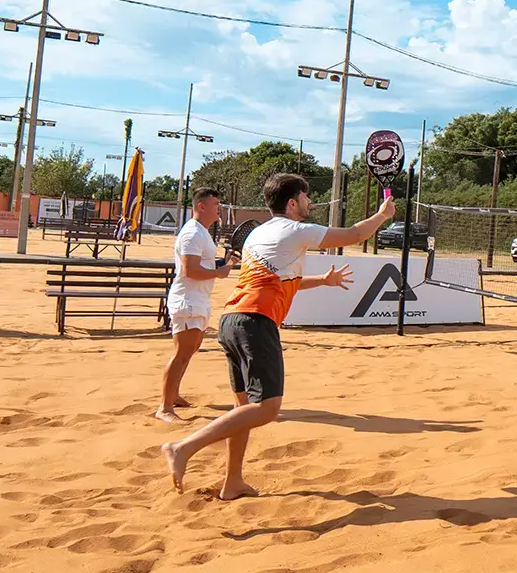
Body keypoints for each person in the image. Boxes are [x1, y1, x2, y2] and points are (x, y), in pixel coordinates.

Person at [161, 173, 396, 500]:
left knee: (242, 409)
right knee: (267, 408)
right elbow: (354, 234)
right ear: (292, 202)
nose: (310, 202)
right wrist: (383, 215)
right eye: (306, 197)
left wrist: (322, 280)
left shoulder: (260, 233)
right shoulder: (295, 230)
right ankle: (183, 447)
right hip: (256, 321)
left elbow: (281, 280)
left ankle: (233, 482)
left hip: (232, 320)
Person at [155, 188, 237, 423]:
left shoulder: (201, 232)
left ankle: (174, 396)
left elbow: (202, 264)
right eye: (215, 204)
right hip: (188, 300)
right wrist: (219, 273)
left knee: (189, 351)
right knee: (182, 353)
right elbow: (190, 269)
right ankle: (165, 408)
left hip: (198, 299)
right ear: (201, 206)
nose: (219, 208)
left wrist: (221, 264)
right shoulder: (192, 233)